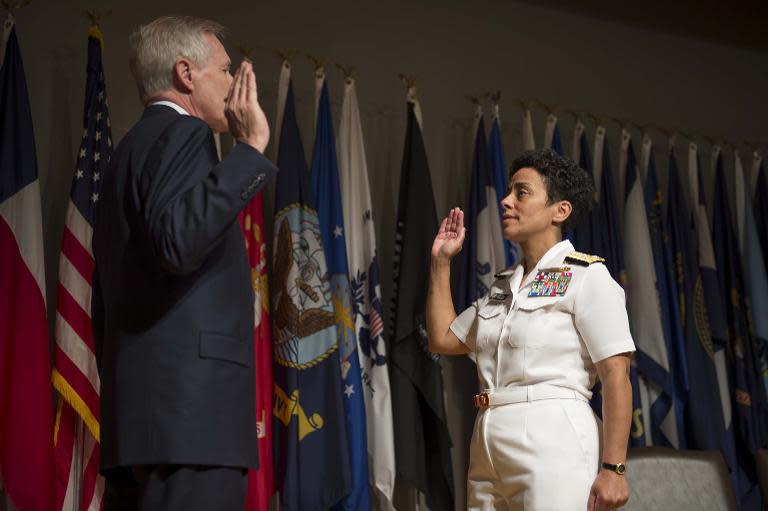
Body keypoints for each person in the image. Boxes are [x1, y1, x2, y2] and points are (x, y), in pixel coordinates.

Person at [92, 16, 277, 511]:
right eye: (225, 69)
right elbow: (178, 242)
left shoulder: (126, 154)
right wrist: (250, 150)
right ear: (185, 74)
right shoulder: (183, 136)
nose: (234, 81)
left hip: (144, 423)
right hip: (190, 427)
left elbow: (106, 299)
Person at [427, 149, 634, 511]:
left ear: (560, 210)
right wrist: (441, 262)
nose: (506, 201)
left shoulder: (587, 276)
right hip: (488, 437)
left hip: (553, 435)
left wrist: (613, 468)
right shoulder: (504, 285)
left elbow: (616, 374)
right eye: (509, 192)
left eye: (521, 193)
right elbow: (444, 339)